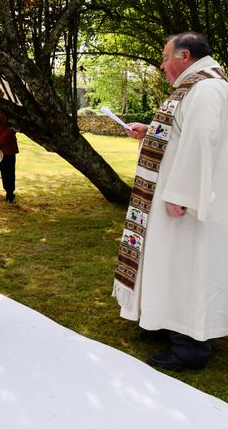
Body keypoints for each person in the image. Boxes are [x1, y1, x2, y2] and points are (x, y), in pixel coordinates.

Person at [114, 31, 228, 371]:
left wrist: (181, 193)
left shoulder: (206, 88)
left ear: (185, 56)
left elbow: (202, 141)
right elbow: (182, 135)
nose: (162, 66)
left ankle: (190, 348)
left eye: (165, 58)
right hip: (175, 200)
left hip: (187, 206)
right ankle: (169, 323)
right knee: (173, 266)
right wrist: (150, 130)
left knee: (185, 268)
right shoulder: (195, 88)